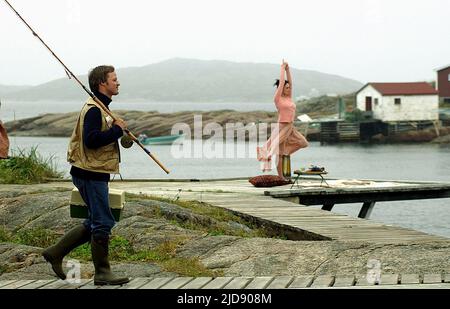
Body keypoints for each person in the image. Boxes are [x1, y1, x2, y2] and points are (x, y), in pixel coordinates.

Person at [42, 65, 129, 286]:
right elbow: (91, 140)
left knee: (94, 221)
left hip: (92, 173)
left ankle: (55, 252)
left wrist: (118, 132)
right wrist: (117, 131)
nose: (118, 83)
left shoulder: (101, 107)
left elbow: (98, 138)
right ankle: (102, 273)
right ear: (102, 83)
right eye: (114, 79)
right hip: (89, 174)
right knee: (103, 222)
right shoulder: (93, 109)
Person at [257, 60, 309, 179]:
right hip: (281, 127)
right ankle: (281, 177)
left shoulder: (289, 97)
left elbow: (291, 83)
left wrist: (288, 70)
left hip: (290, 127)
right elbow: (281, 84)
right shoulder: (278, 99)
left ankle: (287, 152)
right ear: (281, 88)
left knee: (303, 142)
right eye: (286, 87)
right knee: (279, 154)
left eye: (289, 87)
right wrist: (282, 68)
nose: (289, 88)